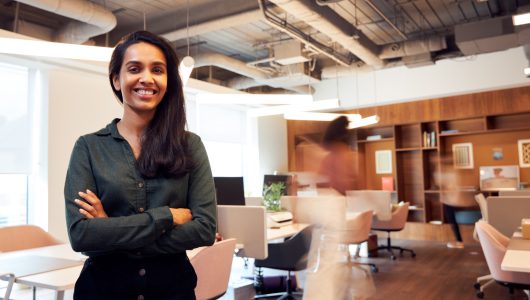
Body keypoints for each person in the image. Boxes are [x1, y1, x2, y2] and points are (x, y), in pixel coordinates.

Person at [64, 31, 217, 299]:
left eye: (157, 70)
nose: (147, 78)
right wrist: (166, 217)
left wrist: (110, 230)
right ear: (116, 79)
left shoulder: (190, 146)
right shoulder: (88, 147)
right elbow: (82, 235)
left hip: (172, 291)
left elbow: (204, 229)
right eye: (134, 69)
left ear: (168, 81)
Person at [318, 116, 357, 195]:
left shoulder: (342, 154)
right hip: (337, 199)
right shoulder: (329, 158)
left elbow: (343, 183)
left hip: (340, 199)